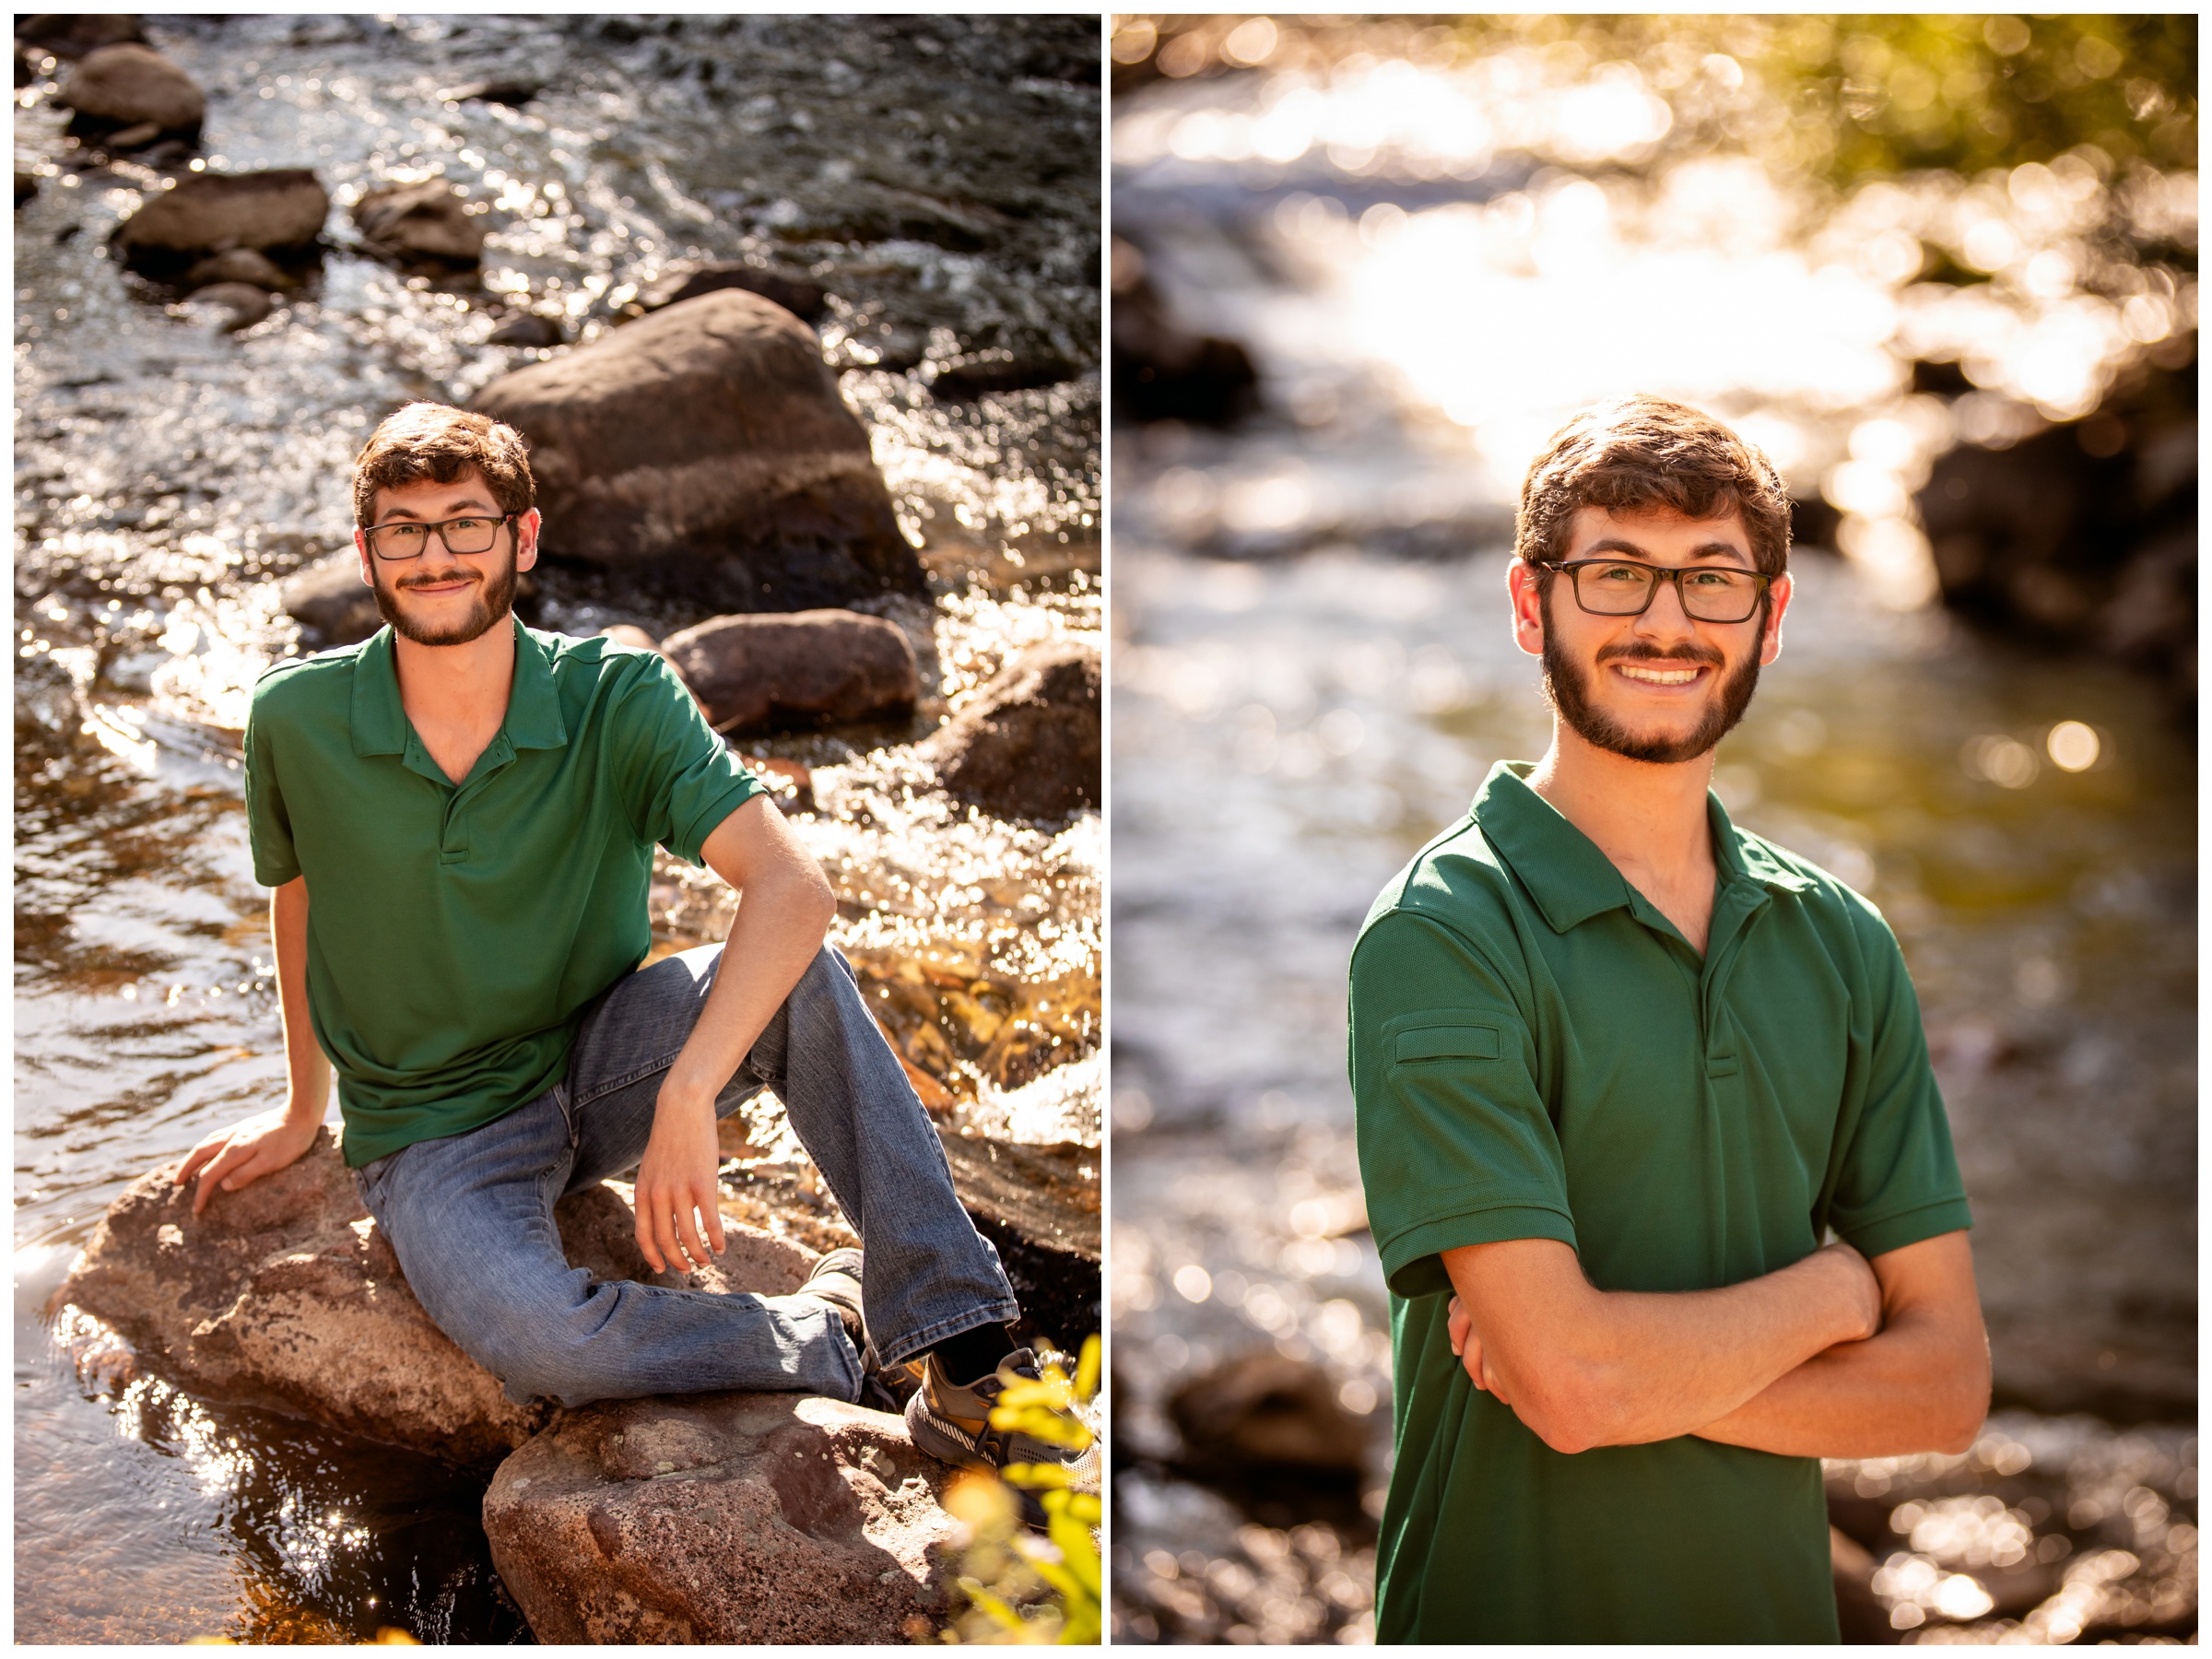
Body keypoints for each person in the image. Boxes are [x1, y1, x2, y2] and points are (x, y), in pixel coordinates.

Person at [175, 401, 1068, 1481]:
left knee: (802, 975)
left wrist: (689, 1091)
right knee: (546, 1340)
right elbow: (301, 895)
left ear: (524, 537)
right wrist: (302, 1108)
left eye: (467, 523)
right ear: (366, 553)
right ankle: (828, 1335)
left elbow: (794, 890)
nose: (437, 555)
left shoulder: (619, 695)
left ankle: (968, 1352)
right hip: (431, 1133)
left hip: (603, 1061)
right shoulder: (297, 718)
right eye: (404, 530)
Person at [1348, 395, 1988, 1642]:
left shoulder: (1841, 944)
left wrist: (1623, 1378)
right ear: (1533, 605)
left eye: (1711, 581)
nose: (1666, 623)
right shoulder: (1444, 936)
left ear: (1772, 616)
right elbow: (1574, 1387)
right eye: (1617, 575)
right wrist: (1838, 1294)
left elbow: (1949, 1388)